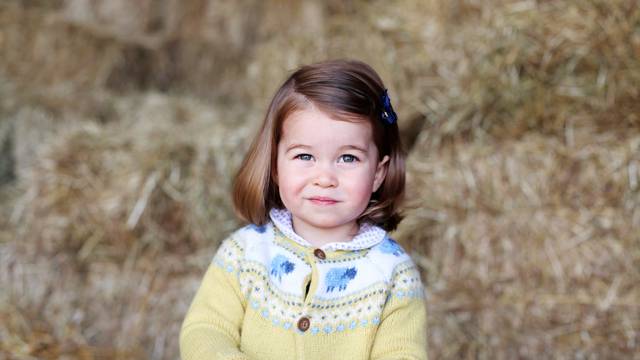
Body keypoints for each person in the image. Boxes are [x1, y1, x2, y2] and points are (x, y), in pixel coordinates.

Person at [180, 59, 427, 360]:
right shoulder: (244, 253)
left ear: (377, 172)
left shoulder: (393, 275)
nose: (324, 178)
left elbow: (402, 355)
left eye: (348, 158)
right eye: (304, 156)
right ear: (274, 166)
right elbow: (205, 331)